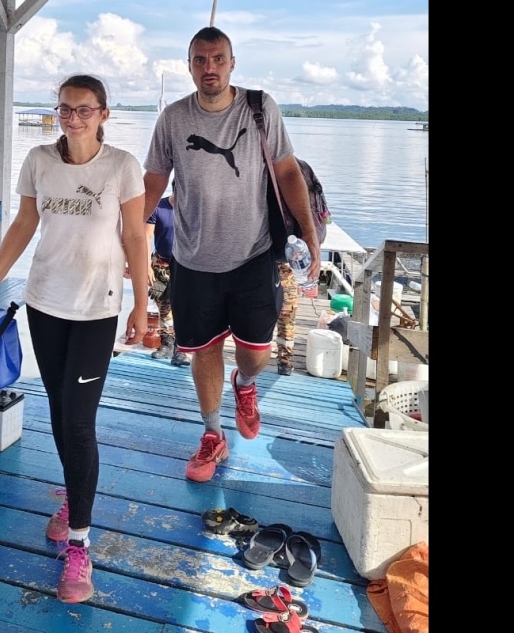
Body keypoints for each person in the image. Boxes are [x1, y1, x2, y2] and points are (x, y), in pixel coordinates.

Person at [0, 74, 147, 603]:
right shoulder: (38, 161)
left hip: (97, 309)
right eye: (65, 109)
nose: (72, 118)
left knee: (78, 420)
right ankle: (76, 498)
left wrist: (143, 302)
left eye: (84, 110)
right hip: (46, 303)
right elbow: (25, 223)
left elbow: (136, 235)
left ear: (104, 113)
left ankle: (79, 545)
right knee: (58, 410)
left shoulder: (122, 165)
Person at [142, 26, 321, 482]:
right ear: (189, 65)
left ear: (232, 62)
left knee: (255, 353)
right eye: (200, 60)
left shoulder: (261, 108)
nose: (209, 68)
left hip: (253, 255)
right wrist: (131, 235)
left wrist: (310, 234)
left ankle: (245, 386)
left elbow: (287, 172)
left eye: (218, 58)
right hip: (194, 259)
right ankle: (211, 434)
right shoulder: (174, 119)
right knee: (203, 351)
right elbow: (154, 181)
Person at [140, 179, 190, 367]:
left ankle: (181, 349)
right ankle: (166, 342)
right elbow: (146, 236)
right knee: (162, 303)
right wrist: (145, 266)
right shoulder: (158, 207)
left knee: (183, 306)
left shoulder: (192, 210)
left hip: (185, 264)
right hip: (161, 263)